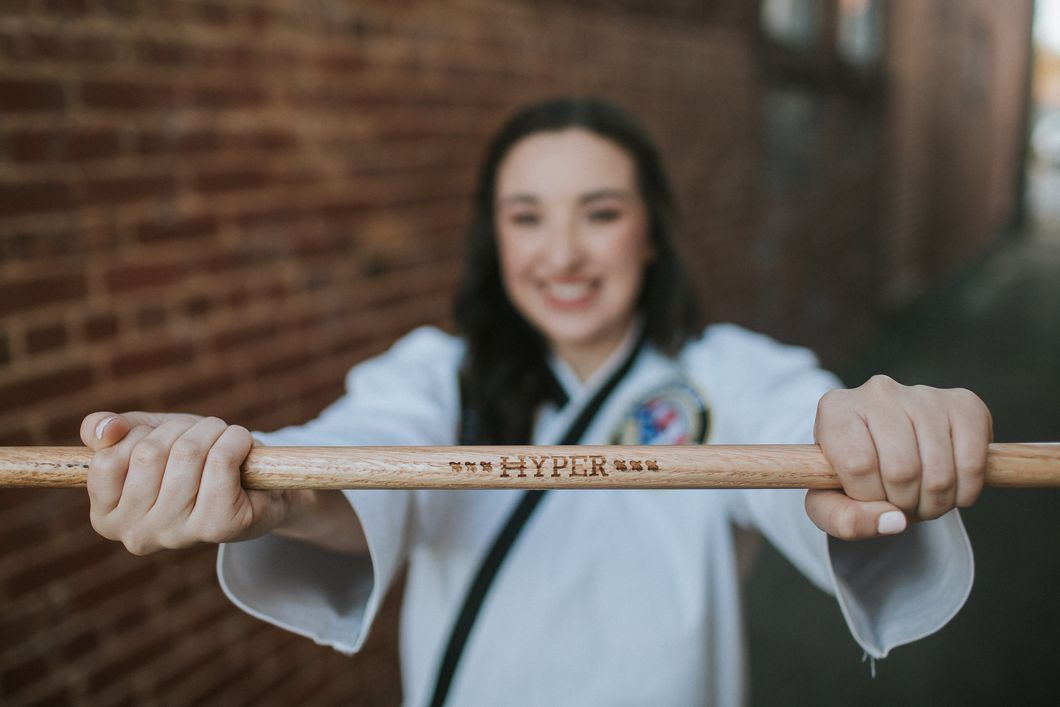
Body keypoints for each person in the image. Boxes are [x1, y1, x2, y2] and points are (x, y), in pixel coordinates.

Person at [79, 98, 992, 706]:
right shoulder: (438, 374)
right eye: (526, 216)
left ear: (650, 237)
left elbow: (798, 427)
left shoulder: (725, 371)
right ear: (494, 238)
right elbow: (361, 448)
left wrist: (870, 444)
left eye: (599, 212)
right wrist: (267, 484)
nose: (562, 252)